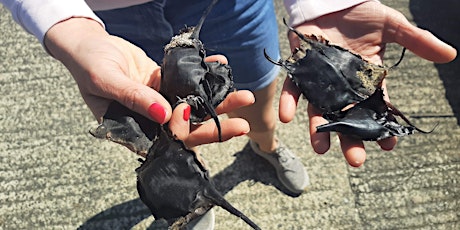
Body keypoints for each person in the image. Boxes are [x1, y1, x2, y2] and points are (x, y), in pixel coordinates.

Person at [1, 0, 456, 229]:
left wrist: (326, 4)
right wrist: (68, 26)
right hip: (104, 14)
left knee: (259, 96)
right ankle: (191, 203)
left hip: (233, 5)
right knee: (153, 122)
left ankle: (265, 147)